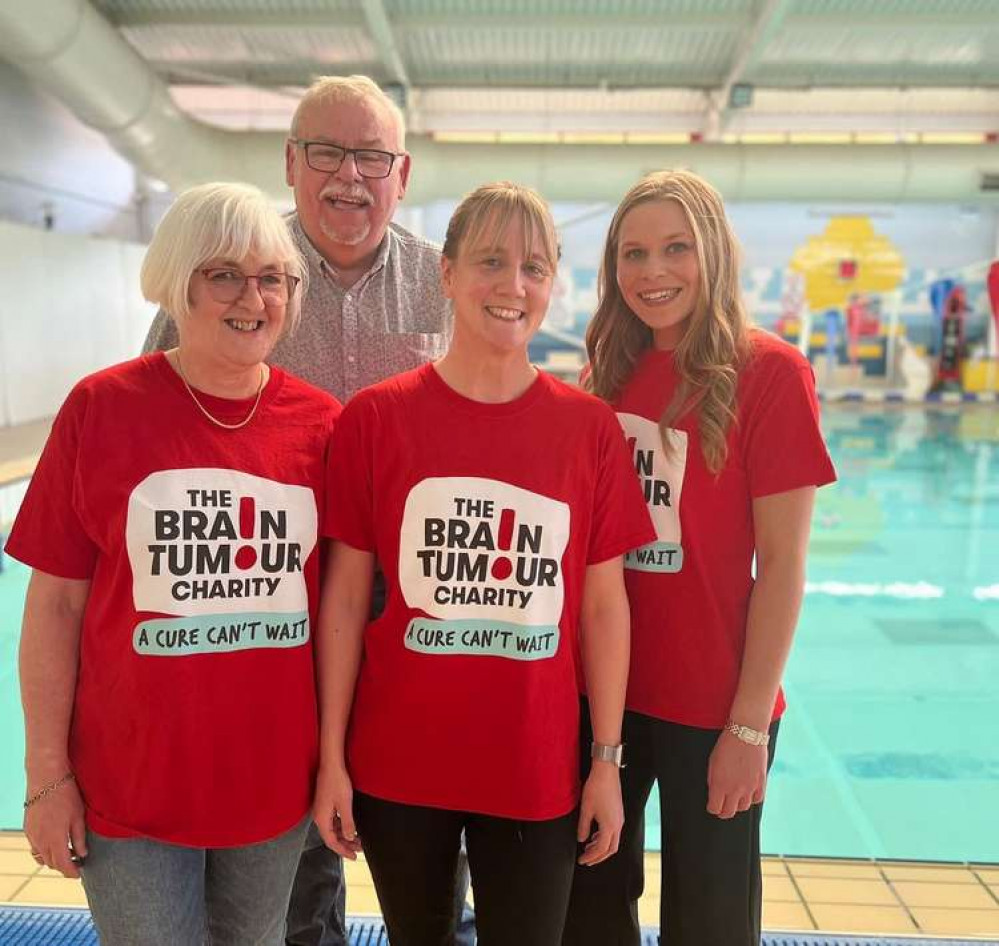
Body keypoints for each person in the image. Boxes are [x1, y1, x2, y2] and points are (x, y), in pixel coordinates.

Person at [142, 75, 455, 946]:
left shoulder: (446, 285)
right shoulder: (237, 272)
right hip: (271, 608)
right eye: (326, 152)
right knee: (296, 863)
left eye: (371, 157)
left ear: (402, 171)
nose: (348, 177)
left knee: (429, 845)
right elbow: (155, 415)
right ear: (290, 162)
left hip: (414, 612)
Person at [312, 182, 656, 946]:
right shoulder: (378, 418)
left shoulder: (587, 431)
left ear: (553, 282)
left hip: (533, 764)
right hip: (399, 759)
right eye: (491, 262)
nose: (513, 286)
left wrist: (605, 763)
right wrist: (331, 759)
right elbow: (342, 602)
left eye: (534, 267)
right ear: (446, 272)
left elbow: (603, 608)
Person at [6, 182, 341, 946]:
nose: (251, 296)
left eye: (271, 278)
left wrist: (333, 766)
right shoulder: (102, 409)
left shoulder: (323, 425)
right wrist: (46, 777)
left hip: (270, 786)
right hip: (129, 787)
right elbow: (53, 605)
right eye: (222, 273)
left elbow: (341, 613)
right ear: (175, 281)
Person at [561, 170, 837, 946]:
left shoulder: (770, 374)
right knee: (588, 909)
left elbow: (783, 565)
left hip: (715, 705)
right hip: (605, 697)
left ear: (712, 251)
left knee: (709, 921)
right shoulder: (604, 375)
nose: (653, 273)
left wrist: (747, 728)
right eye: (633, 253)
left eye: (675, 248)